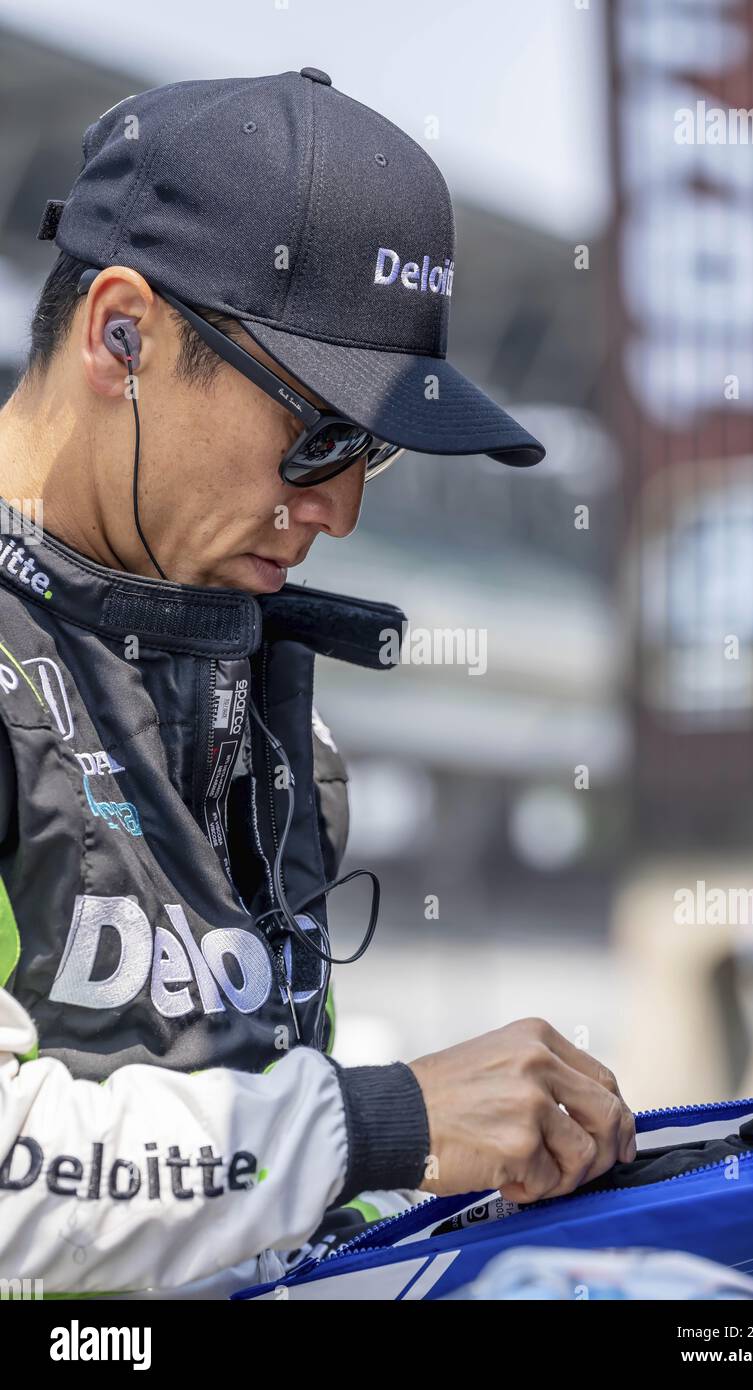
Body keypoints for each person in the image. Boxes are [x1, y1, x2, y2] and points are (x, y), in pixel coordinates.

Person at [0, 66, 635, 1297]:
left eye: (373, 449)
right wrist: (378, 1124)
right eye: (317, 431)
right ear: (119, 332)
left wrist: (438, 1179)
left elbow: (246, 1179)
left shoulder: (249, 671)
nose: (339, 508)